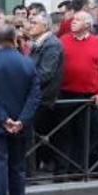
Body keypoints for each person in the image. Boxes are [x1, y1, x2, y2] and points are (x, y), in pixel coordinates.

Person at [0, 25, 40, 195]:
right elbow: (35, 96)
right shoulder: (28, 62)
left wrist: (4, 119)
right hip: (20, 125)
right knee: (17, 169)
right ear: (15, 40)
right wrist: (21, 120)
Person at [56, 10, 98, 176]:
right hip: (65, 93)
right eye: (73, 19)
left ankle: (78, 170)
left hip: (88, 97)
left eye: (77, 19)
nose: (73, 21)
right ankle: (62, 170)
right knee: (63, 133)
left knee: (83, 134)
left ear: (87, 24)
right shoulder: (63, 40)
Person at [26, 12, 64, 172]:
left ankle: (30, 173)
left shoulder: (52, 44)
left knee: (32, 136)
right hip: (35, 96)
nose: (29, 25)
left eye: (33, 22)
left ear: (45, 26)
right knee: (31, 136)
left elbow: (46, 73)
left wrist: (23, 82)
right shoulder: (39, 43)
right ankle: (30, 171)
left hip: (42, 98)